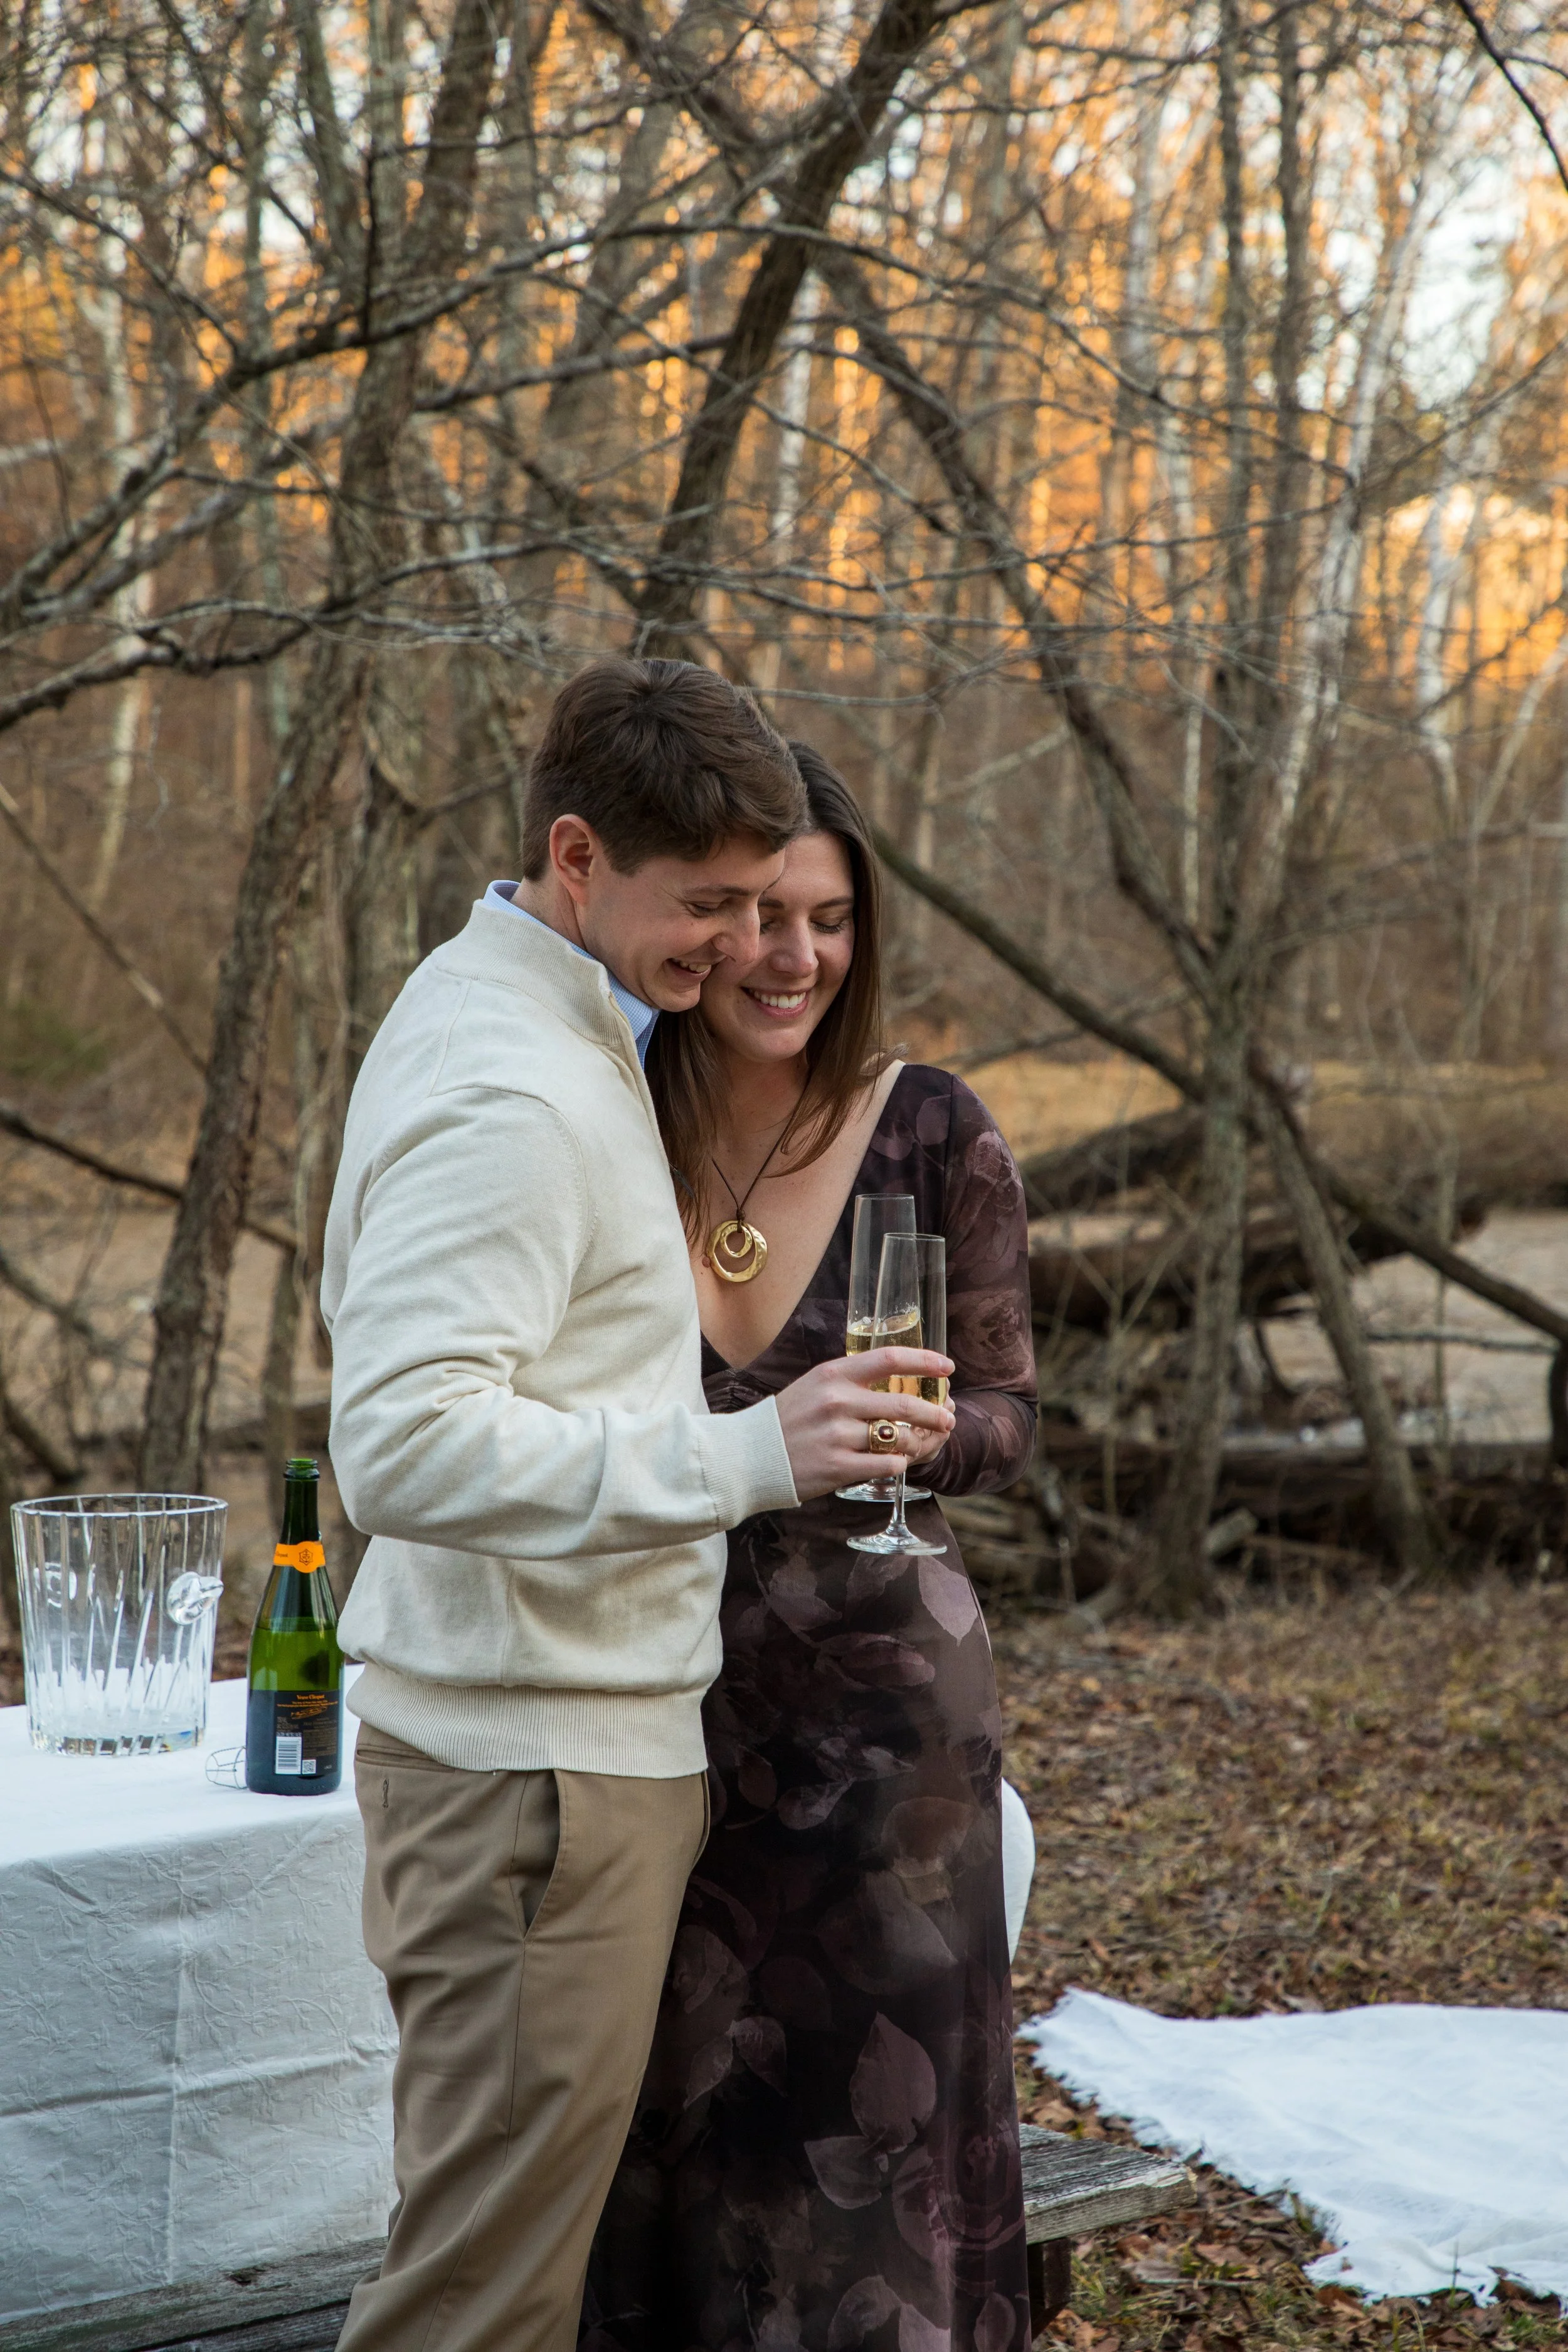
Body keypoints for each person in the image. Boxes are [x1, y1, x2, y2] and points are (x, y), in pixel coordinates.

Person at [321, 664, 955, 2352]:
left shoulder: (535, 1019)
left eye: (767, 899)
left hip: (551, 1753)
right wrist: (752, 1454)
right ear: (579, 853)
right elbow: (398, 1445)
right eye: (707, 903)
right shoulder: (513, 1092)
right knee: (476, 2300)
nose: (745, 944)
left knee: (510, 2271)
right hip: (533, 1783)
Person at [581, 743, 1038, 2352]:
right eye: (759, 915)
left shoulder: (933, 1129)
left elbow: (1008, 1412)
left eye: (828, 921)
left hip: (883, 1718)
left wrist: (922, 1435)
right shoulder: (603, 1107)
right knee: (679, 2113)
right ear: (696, 923)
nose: (791, 958)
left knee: (876, 2134)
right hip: (650, 1696)